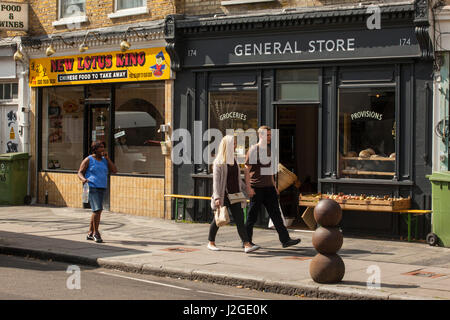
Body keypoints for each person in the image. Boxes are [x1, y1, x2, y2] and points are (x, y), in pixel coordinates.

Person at [245, 126, 301, 248]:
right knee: (252, 216)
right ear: (260, 135)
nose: (269, 137)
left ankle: (285, 240)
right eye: (267, 135)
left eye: (270, 135)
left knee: (276, 215)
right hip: (257, 187)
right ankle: (246, 241)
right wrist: (248, 188)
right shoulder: (254, 150)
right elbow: (247, 170)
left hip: (269, 188)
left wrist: (274, 185)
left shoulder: (268, 150)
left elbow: (269, 170)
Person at [208, 135, 260, 253]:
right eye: (233, 143)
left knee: (240, 219)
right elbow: (215, 182)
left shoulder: (234, 160)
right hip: (223, 195)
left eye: (236, 143)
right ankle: (211, 242)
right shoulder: (219, 162)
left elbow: (237, 179)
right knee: (218, 220)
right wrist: (217, 197)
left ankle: (247, 244)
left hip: (235, 195)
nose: (235, 145)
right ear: (227, 145)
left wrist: (246, 188)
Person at [78, 141, 117, 243]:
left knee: (96, 210)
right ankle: (96, 233)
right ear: (95, 149)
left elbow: (114, 170)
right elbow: (80, 172)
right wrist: (83, 179)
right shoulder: (88, 159)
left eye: (103, 147)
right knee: (97, 209)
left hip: (102, 187)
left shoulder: (104, 160)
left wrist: (108, 158)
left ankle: (90, 232)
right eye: (100, 147)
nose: (103, 149)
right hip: (92, 186)